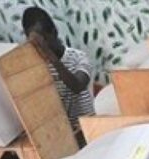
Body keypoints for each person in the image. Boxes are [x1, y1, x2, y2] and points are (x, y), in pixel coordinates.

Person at [22, 7, 95, 148]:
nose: (40, 46)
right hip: (61, 134)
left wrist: (49, 54)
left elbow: (77, 86)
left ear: (54, 32)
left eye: (43, 39)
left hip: (86, 130)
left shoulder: (79, 57)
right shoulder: (36, 66)